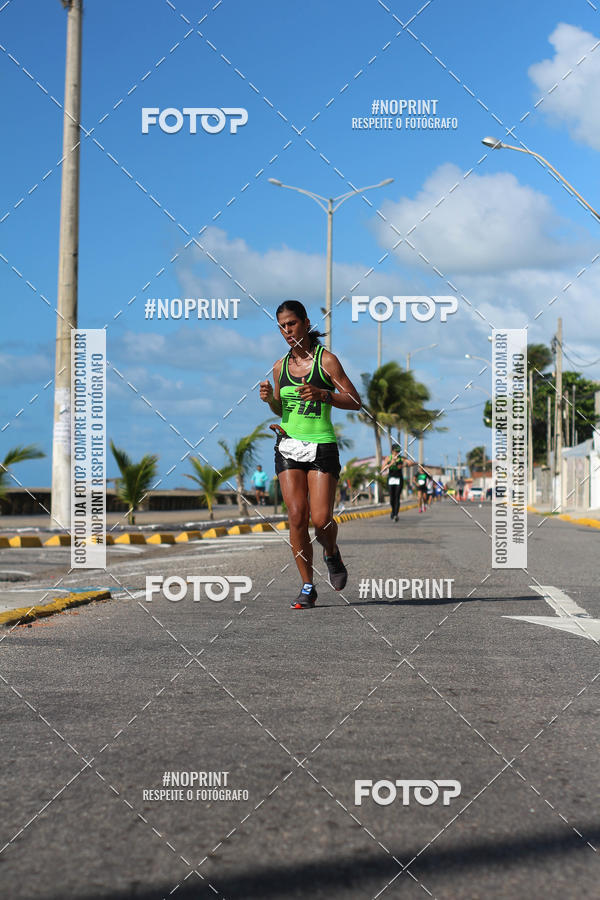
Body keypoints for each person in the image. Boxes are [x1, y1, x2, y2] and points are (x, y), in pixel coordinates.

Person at [259, 300, 361, 609]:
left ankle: (331, 552)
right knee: (296, 516)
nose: (286, 331)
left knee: (321, 519)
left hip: (321, 446)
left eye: (291, 324)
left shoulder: (326, 361)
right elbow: (282, 406)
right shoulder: (280, 367)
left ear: (305, 323)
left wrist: (323, 394)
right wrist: (269, 402)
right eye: (281, 327)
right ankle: (307, 586)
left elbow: (355, 400)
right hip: (289, 445)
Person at [381, 447, 404, 521]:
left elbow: (401, 466)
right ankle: (393, 511)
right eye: (395, 451)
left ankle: (396, 514)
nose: (397, 453)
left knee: (397, 496)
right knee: (391, 497)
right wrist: (391, 463)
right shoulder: (388, 458)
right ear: (392, 451)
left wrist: (397, 462)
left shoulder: (401, 458)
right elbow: (383, 468)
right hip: (391, 479)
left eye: (398, 451)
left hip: (399, 479)